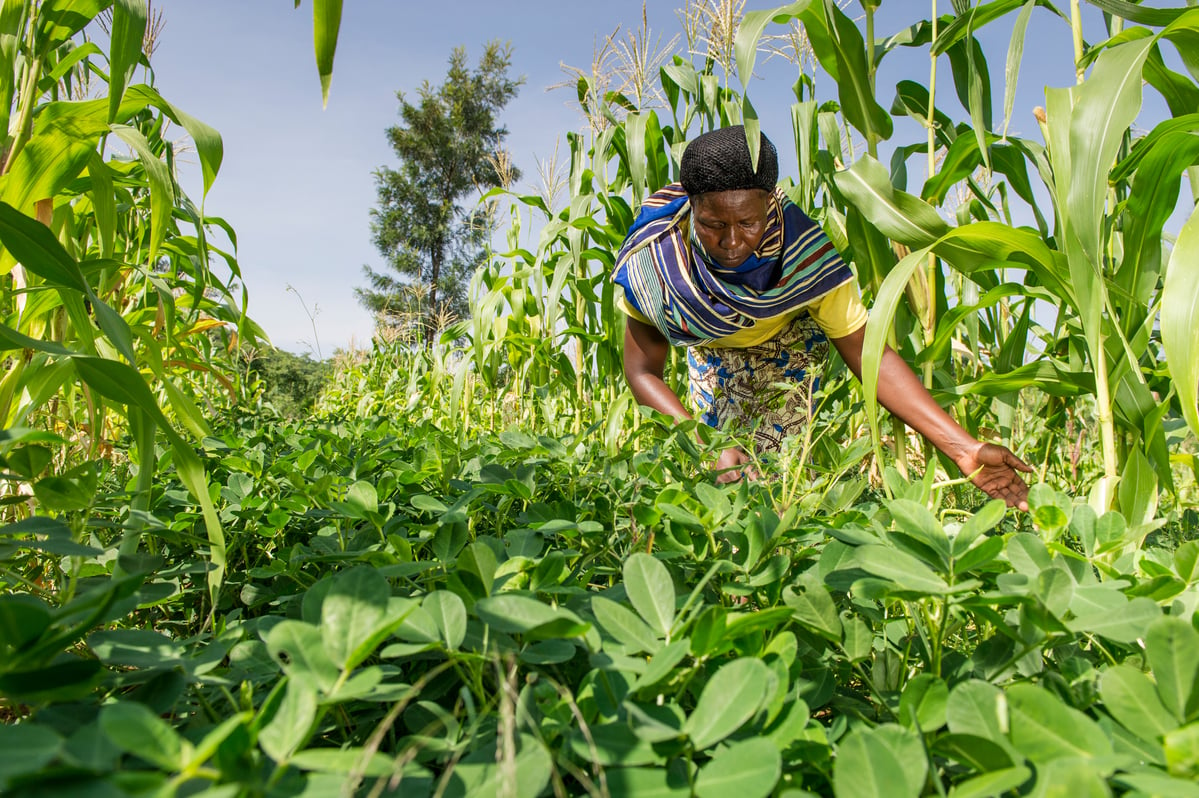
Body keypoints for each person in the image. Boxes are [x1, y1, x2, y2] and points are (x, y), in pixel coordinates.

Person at [612, 125, 1032, 510]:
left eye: (748, 222)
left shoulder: (805, 256)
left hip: (789, 344)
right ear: (692, 208)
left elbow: (870, 356)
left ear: (770, 204)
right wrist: (706, 444)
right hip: (713, 351)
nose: (732, 241)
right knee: (722, 477)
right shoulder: (655, 262)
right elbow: (642, 371)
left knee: (778, 478)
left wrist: (962, 448)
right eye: (712, 224)